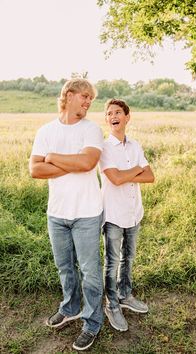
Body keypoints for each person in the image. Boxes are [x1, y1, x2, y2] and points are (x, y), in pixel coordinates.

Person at [29, 78, 104, 351]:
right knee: (65, 268)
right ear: (68, 95)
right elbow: (35, 170)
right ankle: (70, 307)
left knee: (90, 272)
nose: (87, 103)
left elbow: (87, 163)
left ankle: (92, 322)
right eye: (84, 96)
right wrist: (69, 162)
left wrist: (52, 157)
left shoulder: (91, 130)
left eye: (90, 100)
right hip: (57, 213)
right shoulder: (46, 131)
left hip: (86, 213)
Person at [99, 99, 155, 332]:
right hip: (113, 213)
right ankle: (111, 304)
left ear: (127, 117)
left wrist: (127, 173)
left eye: (118, 112)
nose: (114, 116)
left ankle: (125, 295)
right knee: (112, 263)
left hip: (134, 213)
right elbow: (116, 179)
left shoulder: (135, 145)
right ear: (107, 120)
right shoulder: (103, 147)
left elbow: (150, 176)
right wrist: (135, 171)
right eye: (110, 113)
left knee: (128, 259)